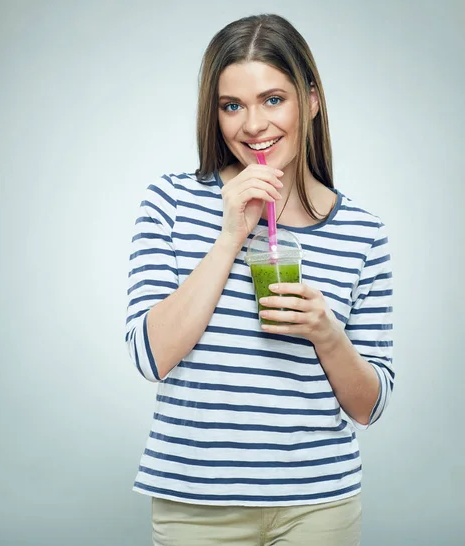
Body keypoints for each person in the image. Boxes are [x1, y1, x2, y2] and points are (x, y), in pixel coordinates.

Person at [125, 13, 393, 546]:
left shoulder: (364, 232)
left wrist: (326, 333)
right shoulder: (170, 203)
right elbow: (149, 357)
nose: (253, 125)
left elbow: (370, 405)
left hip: (319, 504)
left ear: (310, 101)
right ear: (215, 112)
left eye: (273, 100)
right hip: (195, 502)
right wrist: (231, 234)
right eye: (232, 106)